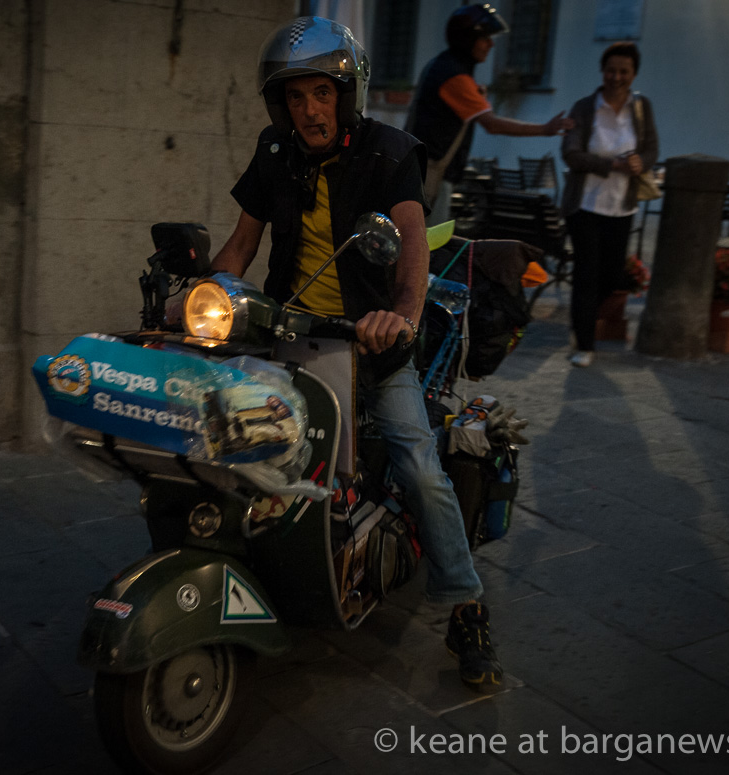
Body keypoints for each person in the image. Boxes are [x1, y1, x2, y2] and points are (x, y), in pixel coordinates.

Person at [210, 16, 502, 690]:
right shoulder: (275, 151)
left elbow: (412, 240)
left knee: (417, 460)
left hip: (368, 339)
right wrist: (196, 295)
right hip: (287, 329)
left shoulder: (390, 150)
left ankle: (465, 601)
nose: (308, 110)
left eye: (320, 94)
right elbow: (240, 246)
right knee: (228, 434)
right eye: (294, 96)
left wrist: (399, 315)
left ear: (346, 93)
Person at [407, 3, 574, 225]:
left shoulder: (442, 65)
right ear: (468, 40)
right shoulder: (455, 77)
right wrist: (545, 129)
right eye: (485, 38)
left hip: (421, 169)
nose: (491, 44)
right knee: (426, 244)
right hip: (430, 175)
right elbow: (492, 124)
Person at [560, 41, 658, 367]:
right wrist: (611, 165)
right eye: (611, 70)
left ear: (633, 74)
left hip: (622, 206)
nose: (617, 76)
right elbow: (571, 154)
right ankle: (584, 344)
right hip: (586, 204)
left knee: (613, 275)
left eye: (624, 71)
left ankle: (583, 319)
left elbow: (651, 149)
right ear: (603, 72)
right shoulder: (585, 108)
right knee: (587, 274)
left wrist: (639, 163)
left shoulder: (641, 108)